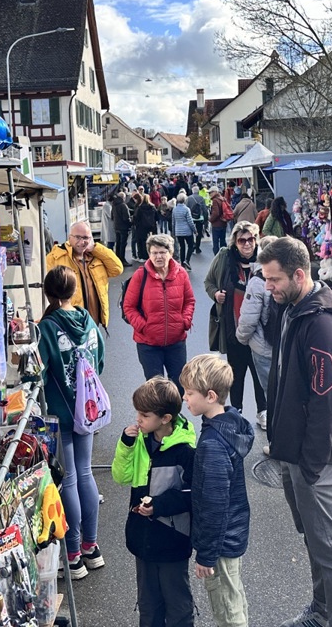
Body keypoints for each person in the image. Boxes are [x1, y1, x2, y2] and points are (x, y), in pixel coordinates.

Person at [258, 237, 332, 627]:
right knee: (314, 540)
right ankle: (321, 612)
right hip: (293, 451)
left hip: (315, 458)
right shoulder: (295, 307)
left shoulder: (321, 324)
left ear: (299, 275)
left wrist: (312, 463)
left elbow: (327, 402)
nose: (269, 287)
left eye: (274, 279)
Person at [37, 267, 106, 579]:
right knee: (86, 473)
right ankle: (92, 547)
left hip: (60, 413)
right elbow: (100, 360)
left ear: (48, 292)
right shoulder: (87, 320)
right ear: (74, 291)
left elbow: (36, 372)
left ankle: (74, 555)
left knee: (70, 479)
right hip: (87, 409)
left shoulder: (48, 328)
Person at [111, 377, 196, 627]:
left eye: (144, 414)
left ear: (166, 418)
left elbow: (192, 495)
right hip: (142, 537)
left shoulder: (186, 451)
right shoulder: (140, 440)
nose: (138, 419)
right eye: (137, 412)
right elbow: (121, 476)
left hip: (172, 538)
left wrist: (158, 505)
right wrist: (126, 445)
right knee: (148, 604)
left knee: (178, 603)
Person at [181, 354, 253, 627]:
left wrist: (206, 554)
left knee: (227, 610)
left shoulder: (212, 444)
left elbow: (214, 504)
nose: (185, 399)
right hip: (233, 532)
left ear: (210, 396)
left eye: (189, 393)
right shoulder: (230, 424)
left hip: (220, 542)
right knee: (233, 595)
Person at [205, 221, 265, 418]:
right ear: (235, 242)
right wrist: (215, 295)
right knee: (236, 374)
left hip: (259, 331)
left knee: (259, 374)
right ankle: (236, 411)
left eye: (250, 239)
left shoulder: (264, 258)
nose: (247, 244)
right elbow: (209, 282)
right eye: (242, 240)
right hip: (233, 328)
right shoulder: (224, 257)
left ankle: (263, 411)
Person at [123, 234, 195, 391]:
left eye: (162, 252)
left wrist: (185, 321)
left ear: (170, 253)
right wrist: (144, 326)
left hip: (176, 343)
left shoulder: (181, 274)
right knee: (157, 390)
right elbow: (129, 307)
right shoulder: (140, 276)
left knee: (179, 387)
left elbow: (189, 301)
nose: (158, 256)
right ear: (149, 254)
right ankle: (161, 416)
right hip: (148, 345)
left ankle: (174, 416)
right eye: (154, 252)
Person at [45, 220, 123, 329]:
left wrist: (96, 248)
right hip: (69, 322)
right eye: (77, 237)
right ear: (69, 237)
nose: (82, 242)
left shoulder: (97, 257)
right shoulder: (56, 257)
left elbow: (117, 269)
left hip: (93, 323)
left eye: (86, 238)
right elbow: (49, 289)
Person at [235, 236, 276, 430]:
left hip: (263, 346)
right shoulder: (287, 277)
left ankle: (276, 438)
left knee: (270, 390)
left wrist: (241, 338)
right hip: (283, 345)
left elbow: (249, 318)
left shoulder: (258, 280)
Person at [171, 192, 196, 269]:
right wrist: (194, 230)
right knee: (191, 246)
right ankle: (187, 260)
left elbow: (173, 222)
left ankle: (182, 264)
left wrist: (173, 232)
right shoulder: (186, 209)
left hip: (178, 231)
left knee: (182, 247)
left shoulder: (174, 209)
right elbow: (190, 221)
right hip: (187, 231)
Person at [133, 193, 158, 261]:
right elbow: (157, 217)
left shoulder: (140, 208)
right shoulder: (153, 207)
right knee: (152, 242)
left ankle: (142, 256)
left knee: (141, 242)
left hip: (141, 227)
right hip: (151, 227)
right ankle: (151, 254)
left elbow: (136, 218)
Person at [113, 192, 134, 266]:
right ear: (123, 197)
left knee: (118, 243)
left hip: (116, 226)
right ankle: (122, 259)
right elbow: (126, 218)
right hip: (123, 228)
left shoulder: (114, 205)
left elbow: (112, 215)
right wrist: (131, 223)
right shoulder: (123, 205)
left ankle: (117, 258)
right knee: (123, 244)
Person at [209, 187, 230, 254]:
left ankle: (217, 258)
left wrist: (210, 219)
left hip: (216, 224)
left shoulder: (215, 200)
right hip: (223, 223)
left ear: (215, 192)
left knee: (215, 242)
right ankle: (225, 255)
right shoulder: (223, 199)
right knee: (223, 241)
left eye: (210, 192)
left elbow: (216, 213)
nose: (209, 194)